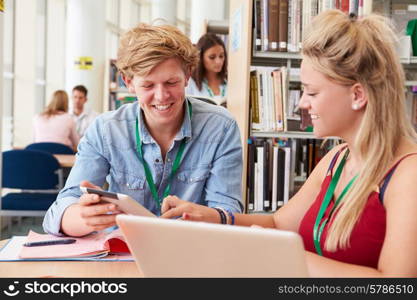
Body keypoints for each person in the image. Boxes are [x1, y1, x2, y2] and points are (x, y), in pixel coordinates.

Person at [161, 10, 417, 277]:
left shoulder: (408, 176)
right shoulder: (337, 159)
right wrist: (215, 217)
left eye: (312, 92)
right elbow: (278, 223)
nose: (303, 103)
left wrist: (284, 256)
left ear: (358, 95)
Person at [43, 23, 243, 237]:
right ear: (128, 82)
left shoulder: (221, 127)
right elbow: (57, 214)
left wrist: (211, 216)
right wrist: (83, 217)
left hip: (191, 251)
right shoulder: (105, 130)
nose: (161, 96)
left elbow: (228, 211)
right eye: (148, 86)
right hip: (121, 253)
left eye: (171, 82)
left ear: (187, 75)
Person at [186, 33, 227, 105]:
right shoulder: (190, 83)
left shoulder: (230, 81)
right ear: (200, 58)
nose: (218, 62)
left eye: (221, 56)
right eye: (212, 57)